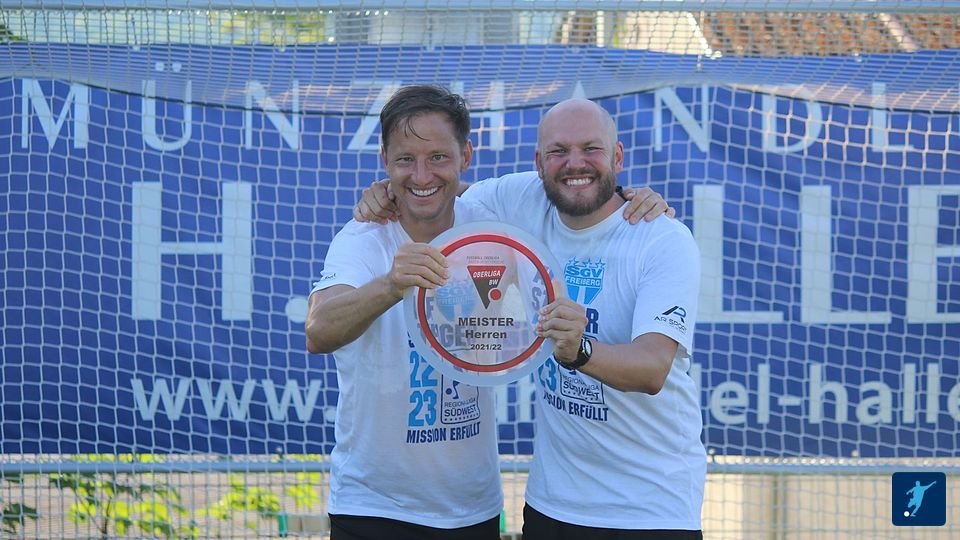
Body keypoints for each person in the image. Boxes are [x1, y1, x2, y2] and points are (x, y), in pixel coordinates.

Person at [355, 97, 704, 539]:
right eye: (558, 151)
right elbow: (438, 189)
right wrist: (389, 192)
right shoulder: (523, 201)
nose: (574, 164)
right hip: (551, 507)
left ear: (617, 157)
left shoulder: (661, 239)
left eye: (591, 149)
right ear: (539, 163)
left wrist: (579, 350)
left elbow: (652, 369)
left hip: (651, 511)